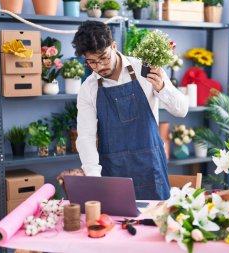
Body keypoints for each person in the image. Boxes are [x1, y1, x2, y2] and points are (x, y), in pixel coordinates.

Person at [71, 21, 188, 200]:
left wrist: (162, 88)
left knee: (155, 223)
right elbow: (86, 137)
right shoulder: (88, 88)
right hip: (113, 171)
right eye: (92, 62)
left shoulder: (144, 68)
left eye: (104, 58)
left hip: (151, 167)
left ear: (114, 46)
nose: (100, 66)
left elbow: (181, 110)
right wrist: (95, 180)